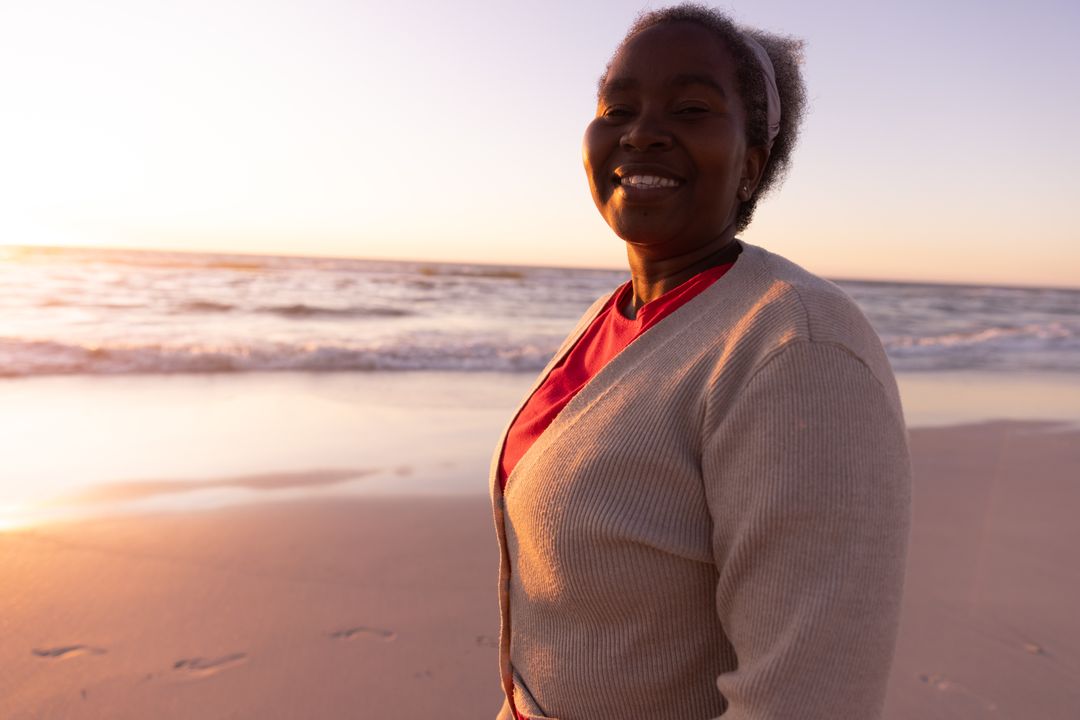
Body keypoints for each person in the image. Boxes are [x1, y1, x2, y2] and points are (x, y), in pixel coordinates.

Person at [489, 4, 911, 719]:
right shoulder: (612, 317)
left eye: (689, 108)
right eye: (618, 106)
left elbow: (807, 700)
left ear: (751, 164)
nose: (642, 131)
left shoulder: (797, 348)